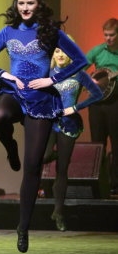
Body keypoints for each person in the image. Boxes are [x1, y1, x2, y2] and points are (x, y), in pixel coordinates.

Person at [0, 0, 88, 253]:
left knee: (33, 166)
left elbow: (81, 61)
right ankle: (10, 148)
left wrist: (52, 80)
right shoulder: (8, 31)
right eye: (21, 3)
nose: (25, 8)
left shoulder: (51, 33)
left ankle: (23, 227)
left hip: (41, 100)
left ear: (39, 5)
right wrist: (5, 74)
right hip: (15, 92)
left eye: (30, 3)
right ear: (16, 3)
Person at [43, 46, 103, 231]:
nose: (61, 55)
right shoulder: (47, 73)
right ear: (53, 54)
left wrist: (75, 108)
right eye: (57, 51)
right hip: (49, 122)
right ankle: (56, 155)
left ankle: (58, 212)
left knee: (62, 169)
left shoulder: (78, 73)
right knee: (43, 157)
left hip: (69, 125)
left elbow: (97, 94)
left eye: (64, 51)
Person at [85, 18, 118, 196]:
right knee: (97, 144)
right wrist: (89, 80)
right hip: (97, 102)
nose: (108, 38)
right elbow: (80, 66)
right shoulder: (98, 51)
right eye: (105, 35)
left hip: (115, 102)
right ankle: (98, 184)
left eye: (111, 35)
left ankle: (115, 184)